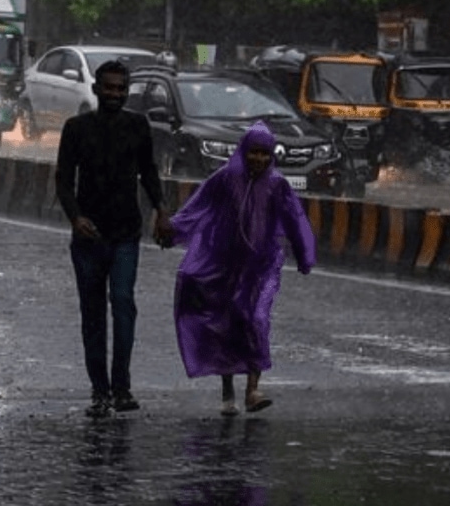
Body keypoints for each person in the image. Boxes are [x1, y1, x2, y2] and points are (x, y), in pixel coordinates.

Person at [164, 121, 316, 416]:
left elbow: (295, 220)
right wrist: (172, 231)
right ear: (243, 152)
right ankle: (227, 390)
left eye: (264, 153)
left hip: (262, 266)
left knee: (255, 319)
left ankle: (252, 390)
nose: (258, 159)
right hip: (225, 264)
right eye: (253, 152)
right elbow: (198, 208)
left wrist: (304, 254)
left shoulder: (277, 185)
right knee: (227, 322)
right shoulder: (224, 179)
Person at [55, 59, 172, 419]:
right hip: (89, 237)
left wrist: (161, 209)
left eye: (121, 89)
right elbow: (63, 180)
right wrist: (76, 218)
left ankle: (122, 387)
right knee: (93, 314)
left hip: (125, 233)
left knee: (123, 304)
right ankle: (99, 391)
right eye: (109, 88)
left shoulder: (137, 127)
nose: (115, 95)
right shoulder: (76, 128)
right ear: (96, 89)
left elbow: (148, 172)